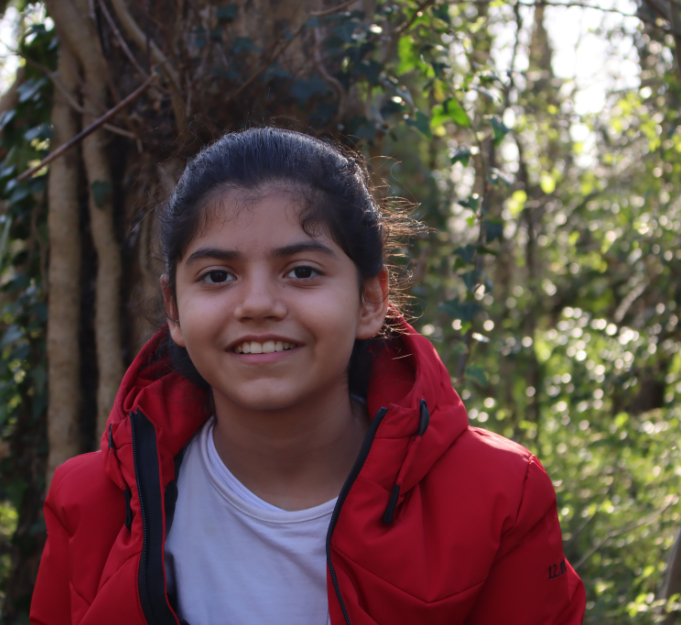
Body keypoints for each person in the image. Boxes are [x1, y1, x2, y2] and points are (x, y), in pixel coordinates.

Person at [30, 127, 585, 625]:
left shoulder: (498, 495)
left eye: (302, 271)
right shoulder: (91, 504)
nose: (258, 304)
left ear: (370, 301)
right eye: (218, 275)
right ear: (173, 310)